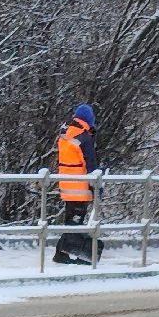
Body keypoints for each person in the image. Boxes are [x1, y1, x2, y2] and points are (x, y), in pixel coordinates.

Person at [53, 103, 98, 265]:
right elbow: (90, 163)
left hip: (66, 184)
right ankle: (74, 255)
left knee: (71, 220)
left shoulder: (65, 134)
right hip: (80, 186)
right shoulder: (84, 137)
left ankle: (61, 253)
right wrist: (97, 185)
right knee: (75, 222)